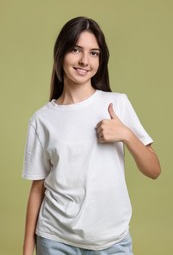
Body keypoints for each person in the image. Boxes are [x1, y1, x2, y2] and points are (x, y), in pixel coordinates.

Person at [22, 16, 161, 255]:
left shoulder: (117, 104)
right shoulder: (41, 120)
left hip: (112, 243)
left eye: (94, 53)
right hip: (55, 240)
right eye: (76, 50)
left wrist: (126, 135)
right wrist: (26, 251)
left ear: (101, 59)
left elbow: (154, 170)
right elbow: (38, 188)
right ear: (61, 53)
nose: (85, 61)